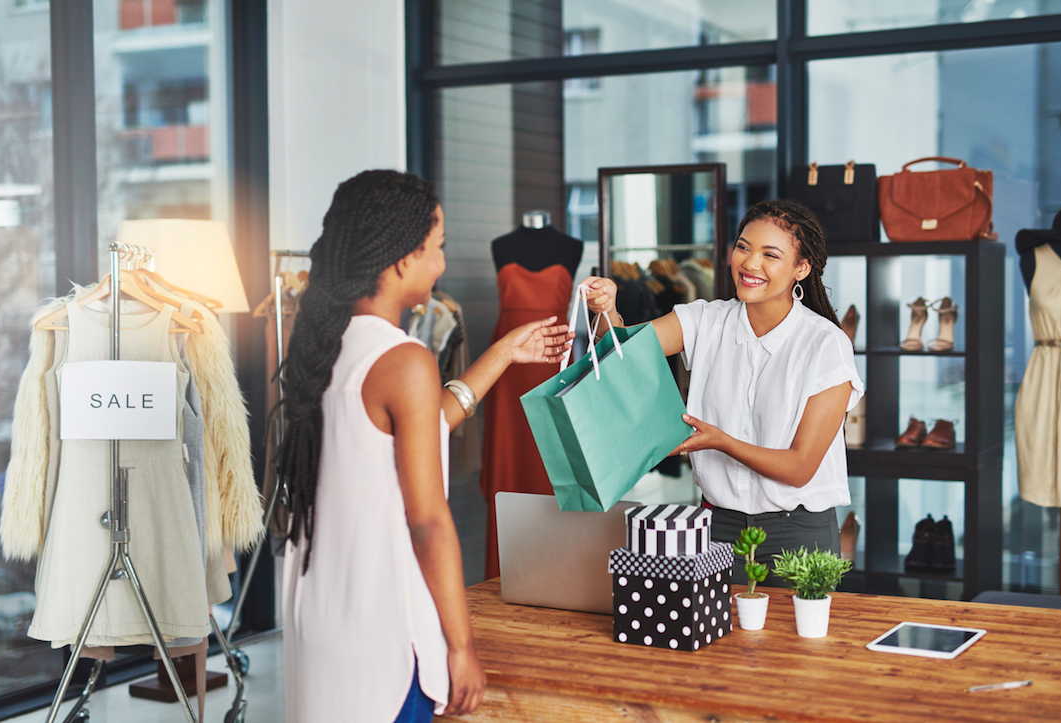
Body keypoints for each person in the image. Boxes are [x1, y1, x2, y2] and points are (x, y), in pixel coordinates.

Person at [277, 170, 573, 723]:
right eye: (437, 248)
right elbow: (428, 522)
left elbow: (422, 423)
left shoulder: (321, 345)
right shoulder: (403, 359)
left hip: (320, 614)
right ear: (399, 261)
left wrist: (504, 353)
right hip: (384, 630)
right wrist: (460, 646)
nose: (441, 263)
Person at [583, 199, 863, 583]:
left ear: (802, 267)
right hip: (716, 529)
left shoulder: (825, 344)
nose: (750, 263)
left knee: (796, 644)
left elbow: (800, 468)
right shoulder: (704, 320)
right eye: (744, 247)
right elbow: (621, 352)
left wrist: (721, 441)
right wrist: (606, 309)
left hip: (797, 534)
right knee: (716, 642)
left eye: (770, 254)